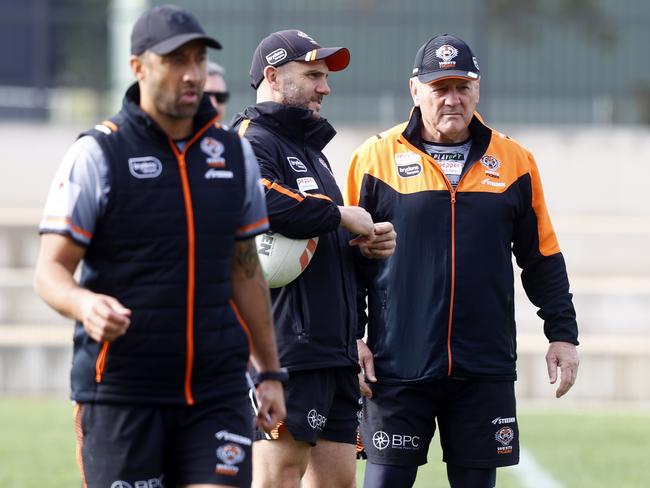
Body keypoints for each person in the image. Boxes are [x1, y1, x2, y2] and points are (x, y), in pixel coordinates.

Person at [34, 5, 285, 488]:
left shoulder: (233, 155)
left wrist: (270, 372)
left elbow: (245, 270)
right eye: (174, 61)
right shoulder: (97, 154)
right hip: (123, 392)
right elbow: (50, 272)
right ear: (138, 67)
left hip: (215, 391)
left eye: (196, 59)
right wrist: (85, 304)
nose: (191, 74)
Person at [345, 34, 580, 488]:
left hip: (483, 366)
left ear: (478, 89)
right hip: (396, 365)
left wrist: (563, 335)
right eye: (439, 88)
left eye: (462, 87)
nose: (452, 99)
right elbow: (348, 262)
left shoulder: (515, 161)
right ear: (415, 91)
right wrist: (351, 337)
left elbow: (542, 257)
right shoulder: (373, 159)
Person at [232, 30, 396, 488]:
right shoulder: (249, 138)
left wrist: (365, 248)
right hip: (285, 346)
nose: (326, 87)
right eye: (313, 75)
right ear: (272, 76)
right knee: (277, 477)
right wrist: (340, 214)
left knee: (338, 481)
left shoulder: (312, 153)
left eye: (325, 77)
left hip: (333, 349)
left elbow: (318, 239)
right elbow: (256, 198)